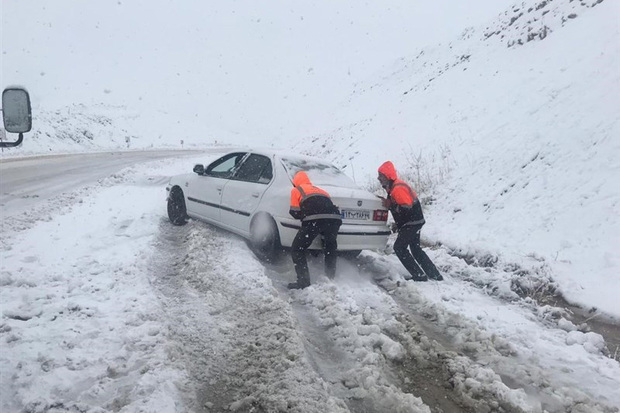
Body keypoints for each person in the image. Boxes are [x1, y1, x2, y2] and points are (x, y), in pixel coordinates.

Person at [377, 161, 443, 282]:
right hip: (415, 221)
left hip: (411, 223)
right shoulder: (393, 188)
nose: (378, 178)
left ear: (388, 176)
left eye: (381, 176)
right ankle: (434, 275)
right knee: (415, 248)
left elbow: (407, 208)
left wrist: (390, 204)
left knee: (399, 248)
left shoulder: (397, 189)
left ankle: (419, 275)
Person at [288, 171, 342, 289]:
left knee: (297, 249)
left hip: (314, 220)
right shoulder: (321, 191)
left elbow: (294, 212)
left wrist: (305, 215)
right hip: (335, 219)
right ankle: (330, 278)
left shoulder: (296, 190)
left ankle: (303, 282)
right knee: (330, 247)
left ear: (295, 182)